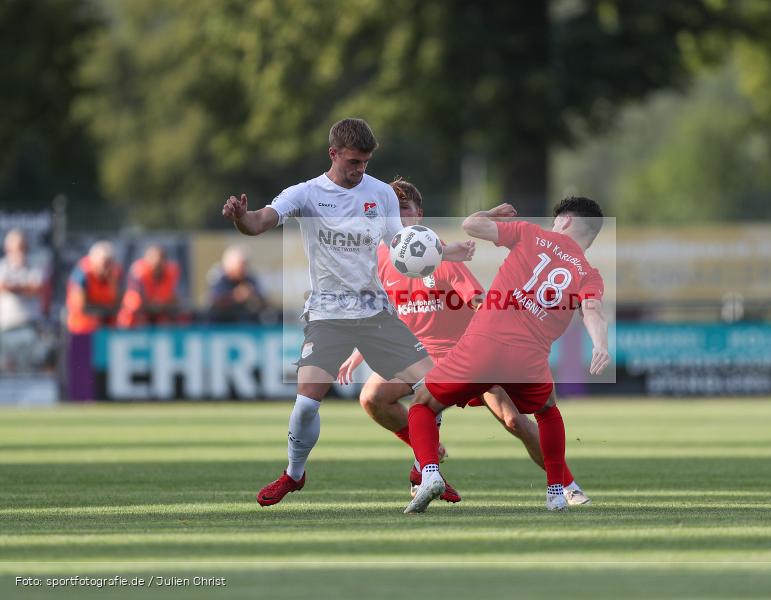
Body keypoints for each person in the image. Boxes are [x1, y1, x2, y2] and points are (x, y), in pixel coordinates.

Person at [220, 118, 474, 506]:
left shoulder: (380, 194)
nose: (360, 170)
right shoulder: (306, 193)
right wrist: (241, 217)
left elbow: (401, 247)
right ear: (333, 154)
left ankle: (425, 472)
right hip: (328, 315)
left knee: (432, 387)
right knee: (306, 405)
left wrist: (441, 252)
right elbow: (258, 223)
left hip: (375, 313)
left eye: (366, 163)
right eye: (354, 162)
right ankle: (294, 475)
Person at [336, 178, 590, 506]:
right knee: (372, 397)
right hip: (419, 355)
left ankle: (567, 484)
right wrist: (359, 352)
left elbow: (478, 301)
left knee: (515, 420)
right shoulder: (383, 259)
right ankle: (428, 457)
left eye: (405, 209)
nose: (398, 216)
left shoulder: (439, 254)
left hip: (467, 353)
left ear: (419, 215)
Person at [404, 197, 610, 513]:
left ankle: (430, 473)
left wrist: (490, 214)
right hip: (528, 359)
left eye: (556, 220)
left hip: (483, 344)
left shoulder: (531, 234)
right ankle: (557, 493)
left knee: (423, 405)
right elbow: (592, 311)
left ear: (565, 221)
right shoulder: (590, 275)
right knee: (547, 411)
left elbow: (470, 225)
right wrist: (600, 345)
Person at [0, 229, 48, 371]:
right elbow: (2, 287)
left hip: (29, 325)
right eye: (16, 248)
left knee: (28, 366)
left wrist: (12, 287)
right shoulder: (2, 266)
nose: (20, 251)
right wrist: (22, 287)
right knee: (6, 368)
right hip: (6, 326)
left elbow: (35, 289)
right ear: (8, 249)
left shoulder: (35, 265)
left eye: (22, 247)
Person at [117, 245, 185, 327]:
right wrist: (155, 304)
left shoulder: (171, 272)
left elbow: (174, 299)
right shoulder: (138, 273)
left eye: (161, 261)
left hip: (161, 312)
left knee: (179, 316)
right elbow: (137, 300)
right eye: (153, 260)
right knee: (132, 308)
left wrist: (163, 304)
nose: (157, 265)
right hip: (140, 314)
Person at [66, 241, 122, 334]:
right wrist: (105, 310)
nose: (108, 268)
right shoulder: (82, 274)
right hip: (82, 329)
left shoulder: (114, 275)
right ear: (94, 261)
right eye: (105, 263)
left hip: (107, 329)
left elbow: (118, 302)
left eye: (111, 263)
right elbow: (80, 307)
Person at [206, 246, 267, 323]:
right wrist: (235, 297)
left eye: (244, 264)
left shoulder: (250, 279)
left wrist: (252, 296)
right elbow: (214, 301)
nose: (243, 268)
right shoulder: (218, 278)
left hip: (246, 325)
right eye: (240, 265)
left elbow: (263, 301)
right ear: (230, 265)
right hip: (221, 325)